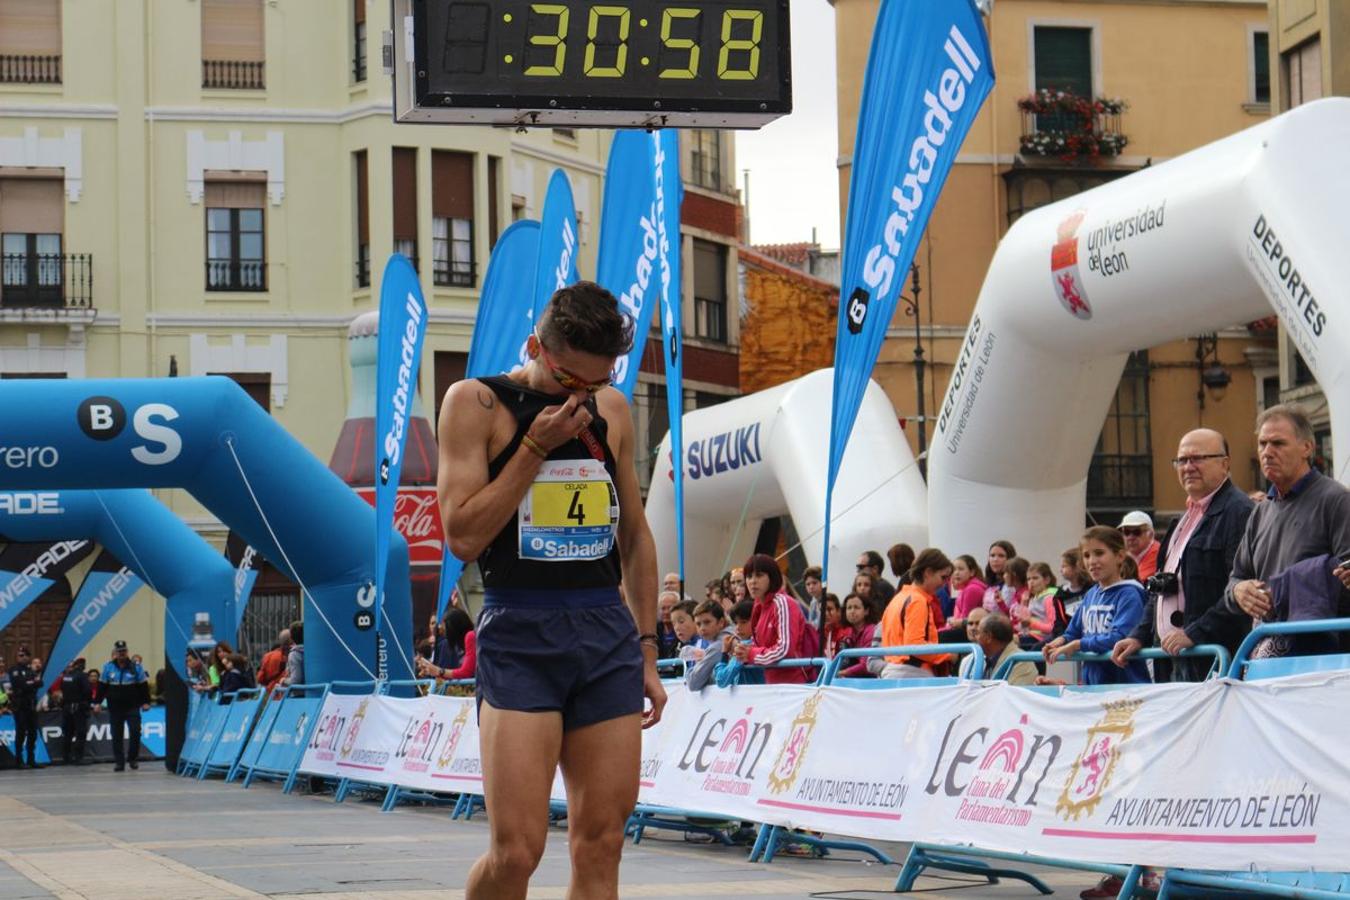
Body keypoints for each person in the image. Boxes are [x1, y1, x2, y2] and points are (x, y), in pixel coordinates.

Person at [436, 280, 665, 900]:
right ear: (536, 346)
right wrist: (536, 446)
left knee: (602, 843)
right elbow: (461, 535)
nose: (582, 398)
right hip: (520, 632)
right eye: (570, 382)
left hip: (604, 634)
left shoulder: (610, 410)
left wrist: (646, 649)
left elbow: (637, 539)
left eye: (596, 383)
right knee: (517, 852)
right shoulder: (474, 404)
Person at [1112, 428, 1255, 681]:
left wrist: (1195, 634)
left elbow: (1240, 591)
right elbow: (1160, 588)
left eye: (1198, 458)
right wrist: (1139, 635)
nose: (1188, 467)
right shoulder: (1182, 521)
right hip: (1173, 660)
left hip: (1214, 662)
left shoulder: (1239, 512)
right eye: (1181, 460)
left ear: (1225, 464)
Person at [1221, 405, 1350, 653]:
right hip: (1266, 657)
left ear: (1307, 448)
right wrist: (1239, 591)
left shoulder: (1336, 500)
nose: (1267, 452)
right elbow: (1236, 578)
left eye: (1278, 443)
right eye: (1262, 444)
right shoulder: (1260, 511)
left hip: (1321, 661)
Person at [1043, 528, 1149, 685]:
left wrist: (1079, 645)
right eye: (1086, 555)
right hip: (1094, 686)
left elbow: (1120, 637)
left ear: (1120, 556)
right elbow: (1073, 631)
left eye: (1099, 553)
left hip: (1125, 686)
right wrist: (1061, 641)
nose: (1092, 561)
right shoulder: (1091, 594)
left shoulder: (1130, 594)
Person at [730, 554, 815, 684]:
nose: (752, 581)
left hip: (795, 684)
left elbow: (784, 649)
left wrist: (751, 654)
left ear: (772, 577)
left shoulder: (783, 602)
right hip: (772, 684)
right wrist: (743, 650)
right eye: (749, 576)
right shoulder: (758, 606)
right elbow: (761, 646)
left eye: (759, 575)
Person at [879, 549, 953, 679]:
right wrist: (949, 655)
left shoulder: (897, 598)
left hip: (891, 670)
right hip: (912, 673)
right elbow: (915, 645)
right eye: (943, 577)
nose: (944, 583)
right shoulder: (918, 600)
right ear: (928, 573)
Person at [102, 640, 151, 771]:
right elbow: (103, 687)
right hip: (115, 707)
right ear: (115, 653)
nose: (121, 653)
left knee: (135, 731)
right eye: (119, 651)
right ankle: (119, 762)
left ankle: (133, 758)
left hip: (132, 706)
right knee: (116, 735)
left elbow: (143, 687)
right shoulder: (108, 667)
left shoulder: (136, 667)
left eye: (124, 651)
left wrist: (146, 702)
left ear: (127, 652)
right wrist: (96, 702)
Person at [960, 614, 1037, 685]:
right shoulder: (970, 660)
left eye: (978, 633)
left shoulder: (1022, 663)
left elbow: (1007, 697)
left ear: (988, 637)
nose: (976, 638)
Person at [6, 647, 42, 768]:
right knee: (21, 733)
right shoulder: (14, 670)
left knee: (33, 733)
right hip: (20, 705)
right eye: (20, 655)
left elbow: (40, 683)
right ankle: (19, 760)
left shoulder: (30, 670)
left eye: (24, 655)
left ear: (28, 656)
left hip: (31, 705)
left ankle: (31, 760)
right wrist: (32, 683)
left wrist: (30, 683)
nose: (22, 657)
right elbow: (20, 684)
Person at [422, 607, 478, 681]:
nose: (441, 629)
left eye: (445, 630)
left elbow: (466, 672)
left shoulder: (470, 636)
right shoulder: (462, 644)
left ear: (453, 628)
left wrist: (439, 671)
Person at [839, 592, 881, 678]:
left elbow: (866, 664)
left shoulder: (871, 630)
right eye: (849, 608)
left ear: (866, 611)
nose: (852, 611)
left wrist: (843, 672)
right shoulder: (848, 633)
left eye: (856, 607)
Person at [1018, 562, 1059, 649]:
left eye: (1035, 578)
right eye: (1028, 579)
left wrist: (1031, 623)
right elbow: (1023, 624)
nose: (1031, 582)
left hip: (1041, 639)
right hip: (1030, 635)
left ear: (1047, 580)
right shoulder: (1034, 598)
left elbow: (1053, 627)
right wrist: (1024, 604)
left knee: (1009, 643)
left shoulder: (1049, 598)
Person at [60, 657, 92, 765]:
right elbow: (88, 691)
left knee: (68, 733)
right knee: (81, 732)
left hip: (67, 707)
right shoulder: (82, 676)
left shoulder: (66, 676)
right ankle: (78, 757)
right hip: (78, 707)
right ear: (80, 665)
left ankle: (66, 757)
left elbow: (63, 690)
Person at [945, 554, 988, 631]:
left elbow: (964, 622)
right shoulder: (965, 589)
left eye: (960, 569)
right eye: (954, 570)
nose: (956, 573)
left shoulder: (972, 590)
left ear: (972, 572)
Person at [1118, 511, 1161, 582]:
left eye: (1136, 532)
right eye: (1126, 532)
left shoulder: (1157, 553)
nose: (1130, 537)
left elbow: (1139, 582)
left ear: (1150, 535)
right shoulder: (1125, 554)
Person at [982, 540, 1017, 614]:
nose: (995, 559)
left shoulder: (1013, 584)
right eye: (992, 555)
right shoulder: (990, 581)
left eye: (1001, 556)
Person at [1056, 548, 1092, 619]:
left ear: (1077, 567)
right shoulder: (1060, 594)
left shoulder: (1092, 589)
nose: (1060, 570)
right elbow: (1059, 621)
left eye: (1064, 566)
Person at [819, 593, 852, 659]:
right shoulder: (819, 634)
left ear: (839, 611)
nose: (825, 614)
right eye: (822, 610)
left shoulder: (847, 632)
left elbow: (845, 661)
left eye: (829, 609)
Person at [655, 591, 681, 658]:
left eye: (670, 608)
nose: (666, 612)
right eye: (663, 608)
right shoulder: (653, 631)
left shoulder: (683, 630)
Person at [801, 565, 826, 630]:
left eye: (814, 583)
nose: (811, 587)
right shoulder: (813, 602)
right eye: (808, 584)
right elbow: (810, 621)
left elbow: (819, 624)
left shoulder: (827, 601)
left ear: (822, 583)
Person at [283, 620, 305, 686]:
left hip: (298, 693)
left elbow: (295, 680)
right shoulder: (311, 651)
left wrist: (284, 681)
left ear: (291, 638)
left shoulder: (294, 655)